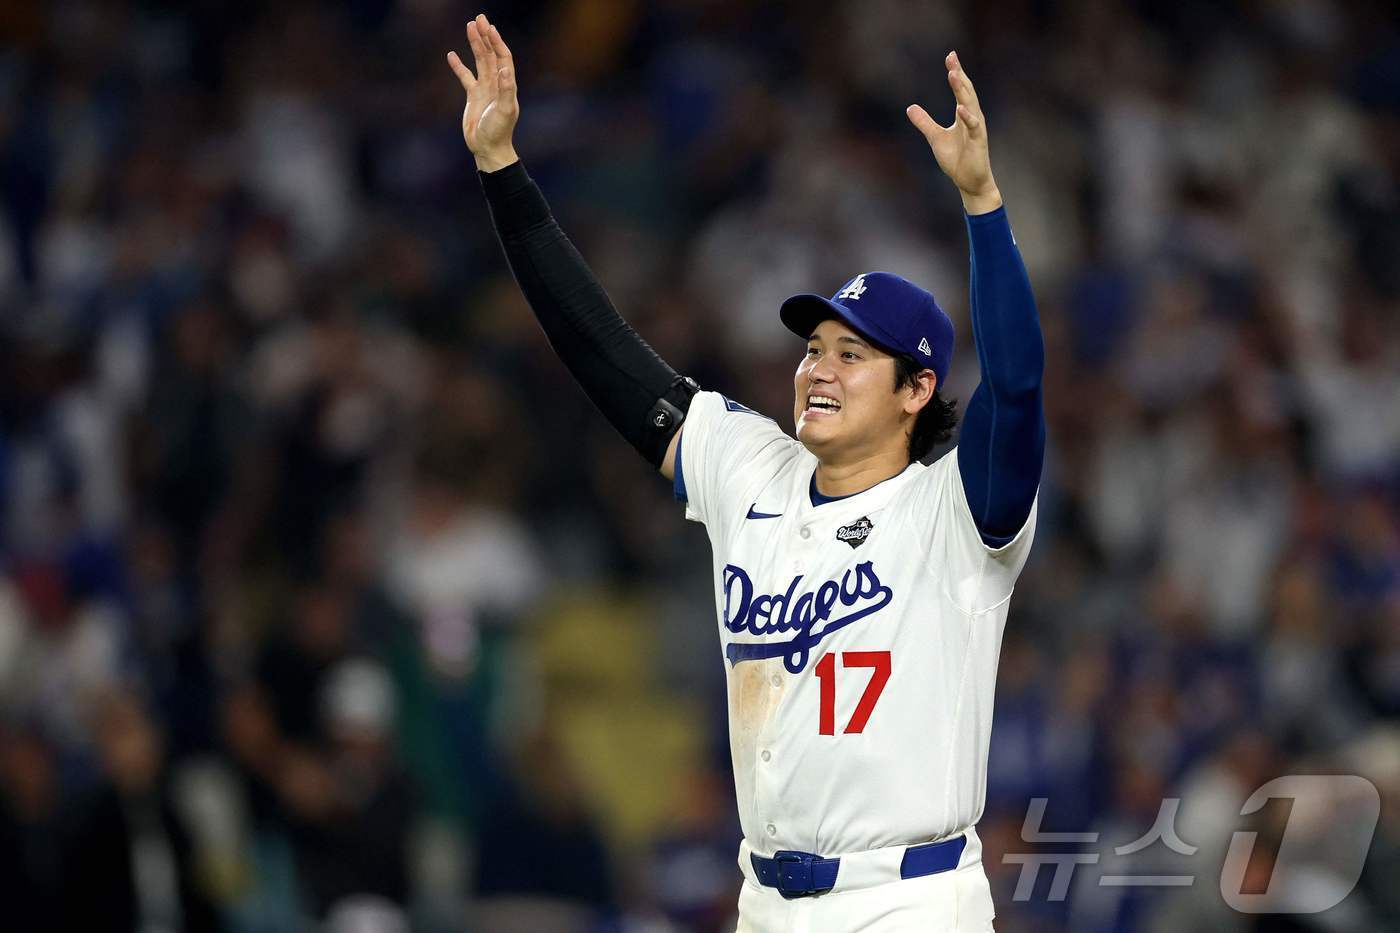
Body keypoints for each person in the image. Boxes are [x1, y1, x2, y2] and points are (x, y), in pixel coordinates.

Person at [448, 12, 1045, 931]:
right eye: (814, 347)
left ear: (916, 387)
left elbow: (1018, 380)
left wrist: (982, 207)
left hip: (911, 900)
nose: (819, 368)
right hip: (763, 900)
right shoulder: (749, 468)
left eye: (853, 354)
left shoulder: (957, 509)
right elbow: (601, 349)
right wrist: (503, 173)